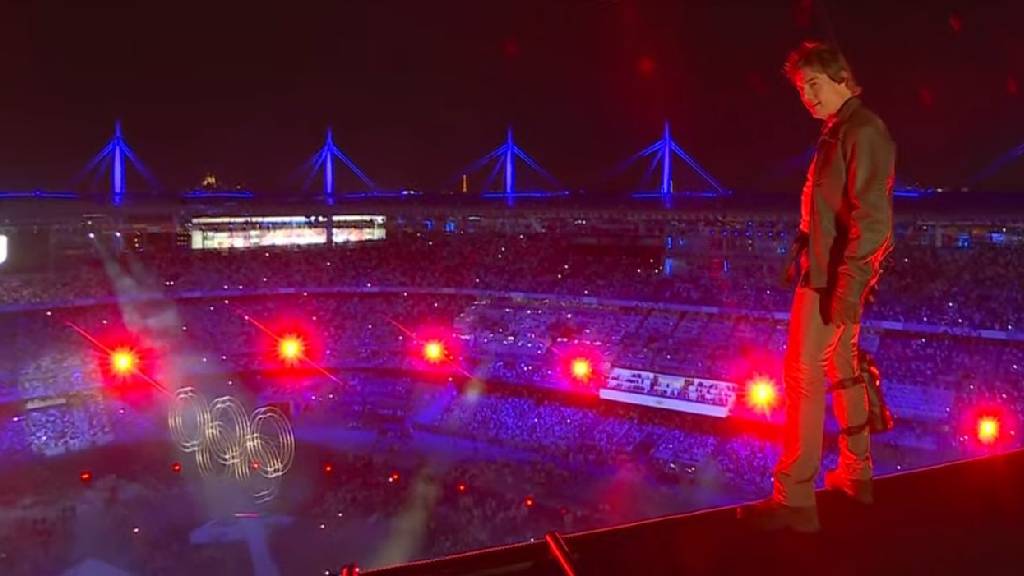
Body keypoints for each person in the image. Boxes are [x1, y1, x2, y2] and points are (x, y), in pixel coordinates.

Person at [739, 40, 895, 532]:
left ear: (841, 76)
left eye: (814, 83)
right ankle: (857, 474)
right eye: (801, 89)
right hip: (832, 275)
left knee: (803, 377)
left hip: (830, 281)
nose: (807, 95)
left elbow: (872, 223)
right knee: (843, 371)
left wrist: (845, 289)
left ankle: (795, 498)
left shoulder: (861, 130)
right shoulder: (843, 129)